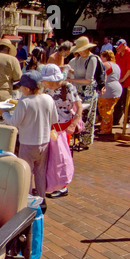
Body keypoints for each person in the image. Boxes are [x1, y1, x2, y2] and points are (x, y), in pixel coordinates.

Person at [0, 71, 58, 201]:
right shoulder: (48, 98)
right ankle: (41, 199)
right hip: (44, 142)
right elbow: (54, 119)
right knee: (40, 173)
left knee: (26, 173)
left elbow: (13, 123)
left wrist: (3, 113)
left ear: (27, 88)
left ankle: (28, 200)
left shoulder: (24, 102)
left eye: (22, 87)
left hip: (28, 143)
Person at [40, 64, 82, 198]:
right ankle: (52, 184)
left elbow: (79, 107)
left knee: (61, 157)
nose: (46, 83)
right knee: (51, 158)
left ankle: (63, 186)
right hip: (50, 126)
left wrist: (74, 124)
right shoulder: (46, 88)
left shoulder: (67, 87)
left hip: (63, 127)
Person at [67, 36, 100, 149]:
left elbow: (88, 79)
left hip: (88, 91)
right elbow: (74, 71)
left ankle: (83, 141)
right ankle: (75, 139)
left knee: (85, 116)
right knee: (75, 113)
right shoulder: (77, 59)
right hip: (77, 90)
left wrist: (71, 80)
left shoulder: (92, 59)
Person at [97, 50, 122, 134]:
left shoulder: (105, 64)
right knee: (109, 110)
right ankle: (105, 127)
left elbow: (99, 75)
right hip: (117, 89)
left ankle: (105, 129)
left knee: (104, 110)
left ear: (105, 57)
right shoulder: (116, 65)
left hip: (108, 89)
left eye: (102, 57)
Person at [113, 39, 130, 126]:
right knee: (118, 101)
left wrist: (123, 79)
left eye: (119, 47)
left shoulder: (129, 53)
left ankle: (127, 121)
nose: (117, 49)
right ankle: (116, 120)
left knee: (127, 102)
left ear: (124, 45)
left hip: (127, 82)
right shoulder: (118, 54)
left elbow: (129, 69)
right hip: (119, 81)